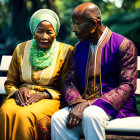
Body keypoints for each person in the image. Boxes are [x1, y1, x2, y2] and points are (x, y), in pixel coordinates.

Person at [51, 2, 138, 140]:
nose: (74, 29)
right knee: (58, 118)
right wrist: (77, 103)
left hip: (117, 108)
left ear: (93, 24)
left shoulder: (124, 45)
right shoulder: (78, 48)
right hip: (83, 105)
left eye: (77, 24)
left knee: (91, 115)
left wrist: (90, 104)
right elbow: (70, 81)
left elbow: (128, 85)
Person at [0, 9, 73, 140]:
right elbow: (10, 83)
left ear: (55, 32)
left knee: (24, 115)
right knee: (6, 111)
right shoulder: (21, 49)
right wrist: (17, 91)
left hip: (52, 98)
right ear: (33, 30)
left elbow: (68, 87)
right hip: (22, 97)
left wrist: (44, 94)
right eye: (40, 31)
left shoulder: (66, 51)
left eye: (49, 32)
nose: (44, 37)